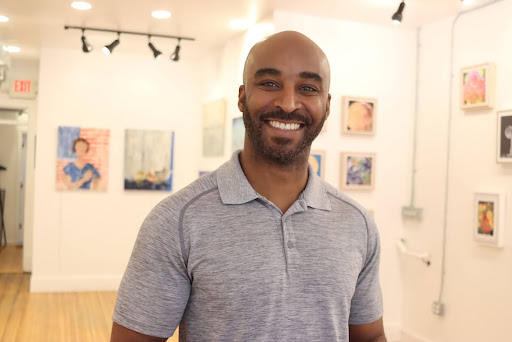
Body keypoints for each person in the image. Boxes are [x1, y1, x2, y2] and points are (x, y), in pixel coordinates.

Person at [111, 31, 386, 342]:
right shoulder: (177, 221)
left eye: (308, 88)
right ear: (242, 97)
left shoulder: (357, 224)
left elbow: (371, 336)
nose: (288, 103)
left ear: (327, 105)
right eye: (269, 83)